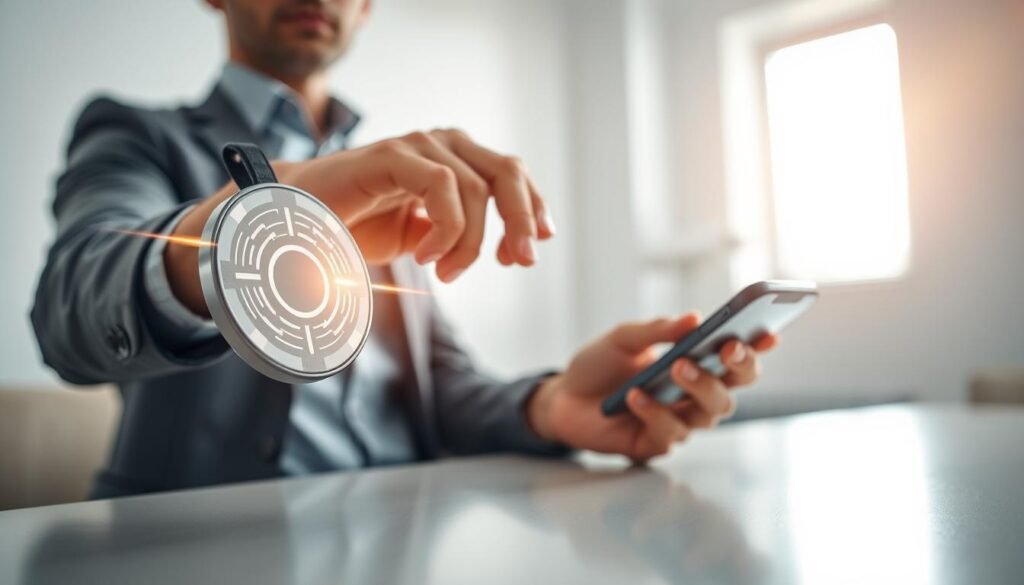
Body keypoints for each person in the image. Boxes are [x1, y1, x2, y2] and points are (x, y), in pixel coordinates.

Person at [31, 0, 778, 498]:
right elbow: (72, 302)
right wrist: (270, 216)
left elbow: (441, 391)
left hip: (399, 531)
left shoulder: (394, 176)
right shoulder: (136, 133)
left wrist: (554, 404)